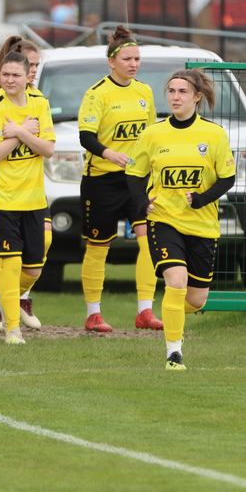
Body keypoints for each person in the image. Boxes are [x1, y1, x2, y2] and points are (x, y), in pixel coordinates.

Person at [127, 68, 235, 370]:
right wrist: (140, 203)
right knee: (176, 280)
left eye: (182, 92)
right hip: (164, 220)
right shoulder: (153, 134)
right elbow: (134, 173)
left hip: (202, 224)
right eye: (172, 91)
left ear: (197, 97)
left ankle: (171, 313)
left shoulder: (214, 134)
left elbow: (227, 177)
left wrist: (202, 198)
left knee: (197, 299)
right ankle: (174, 353)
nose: (175, 97)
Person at [77, 25, 163, 333]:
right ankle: (93, 314)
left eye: (137, 58)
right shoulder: (97, 94)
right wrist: (108, 153)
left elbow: (151, 133)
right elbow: (86, 136)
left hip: (136, 181)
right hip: (102, 181)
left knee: (148, 241)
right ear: (112, 61)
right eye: (127, 58)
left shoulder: (144, 91)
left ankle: (145, 311)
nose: (134, 64)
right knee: (98, 247)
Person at [0, 35, 50, 331]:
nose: (10, 79)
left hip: (33, 196)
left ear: (28, 76)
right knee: (10, 261)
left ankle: (4, 297)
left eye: (16, 74)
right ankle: (13, 330)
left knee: (33, 268)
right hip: (2, 197)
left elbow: (48, 149)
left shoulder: (40, 101)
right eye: (5, 74)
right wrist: (23, 133)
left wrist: (17, 131)